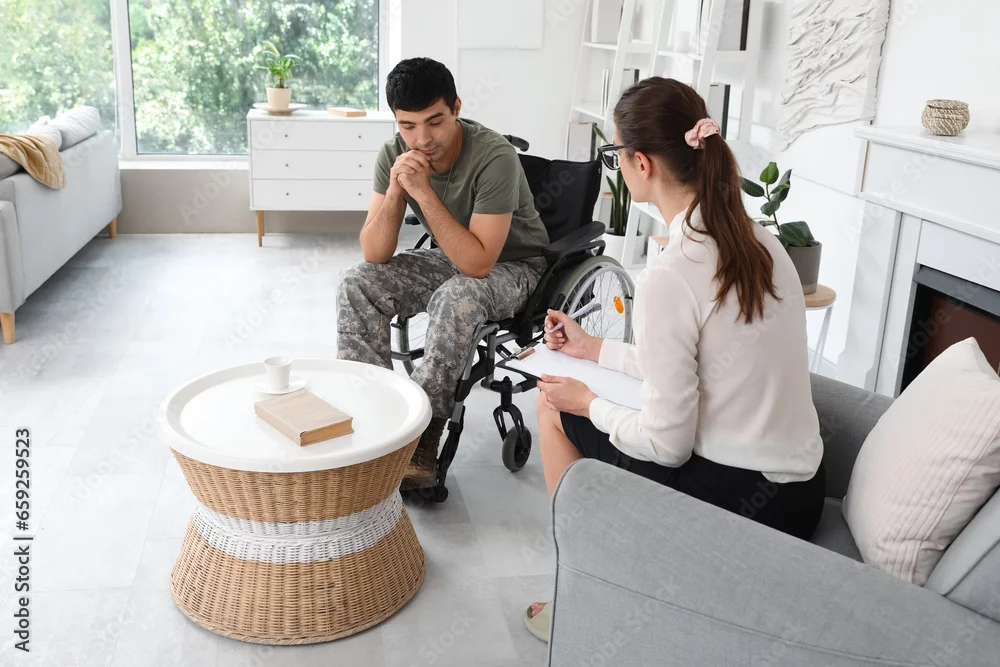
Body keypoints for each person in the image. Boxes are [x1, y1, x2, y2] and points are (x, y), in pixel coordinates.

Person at [522, 77, 826, 642]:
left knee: (553, 407)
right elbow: (696, 362)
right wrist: (593, 349)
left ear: (641, 163)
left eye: (614, 154)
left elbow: (668, 446)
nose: (617, 166)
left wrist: (586, 403)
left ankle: (580, 597)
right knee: (590, 397)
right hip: (799, 492)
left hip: (746, 505)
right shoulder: (760, 241)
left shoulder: (671, 272)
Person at [337, 57, 549, 490]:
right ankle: (373, 415)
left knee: (457, 297)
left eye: (434, 121)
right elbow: (374, 252)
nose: (422, 139)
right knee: (357, 283)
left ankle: (422, 435)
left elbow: (479, 264)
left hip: (517, 265)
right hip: (453, 258)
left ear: (456, 108)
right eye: (408, 125)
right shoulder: (393, 154)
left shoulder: (495, 157)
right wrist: (396, 190)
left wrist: (422, 192)